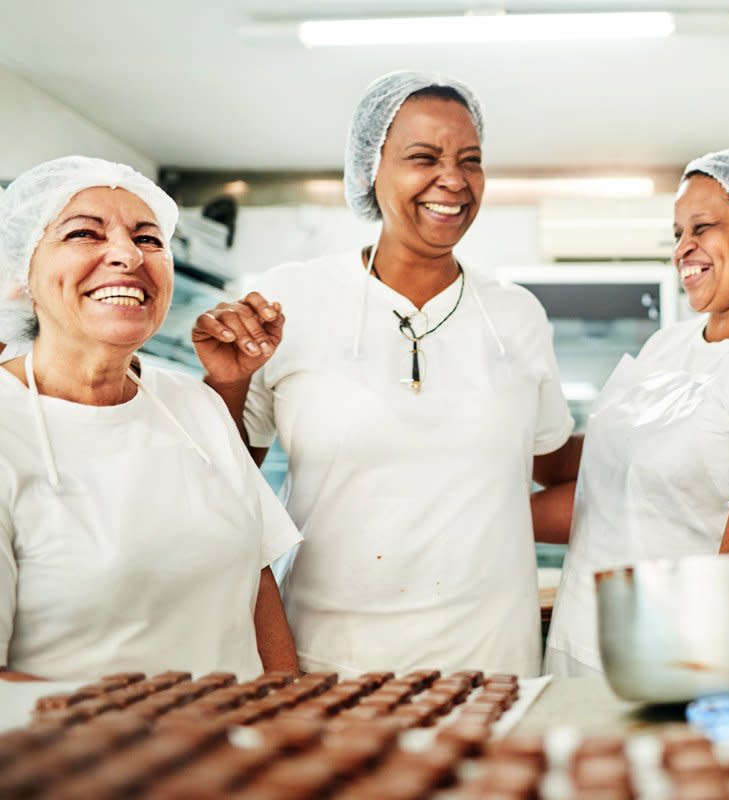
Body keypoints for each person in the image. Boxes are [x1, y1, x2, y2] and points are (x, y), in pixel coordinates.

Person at [192, 72, 574, 676]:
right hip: (331, 658)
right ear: (371, 169)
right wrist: (229, 380)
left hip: (494, 660)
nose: (453, 180)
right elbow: (225, 478)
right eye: (424, 157)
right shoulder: (293, 297)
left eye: (470, 160)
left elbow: (552, 460)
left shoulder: (515, 315)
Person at [0, 156, 301, 681]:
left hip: (244, 753)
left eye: (149, 238)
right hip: (73, 758)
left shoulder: (198, 404)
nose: (128, 255)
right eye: (84, 234)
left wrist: (300, 720)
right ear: (19, 274)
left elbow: (255, 586)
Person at [542, 149, 729, 677]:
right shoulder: (664, 347)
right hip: (580, 641)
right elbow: (606, 490)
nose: (683, 249)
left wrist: (691, 673)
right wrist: (479, 514)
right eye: (678, 234)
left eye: (702, 227)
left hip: (673, 659)